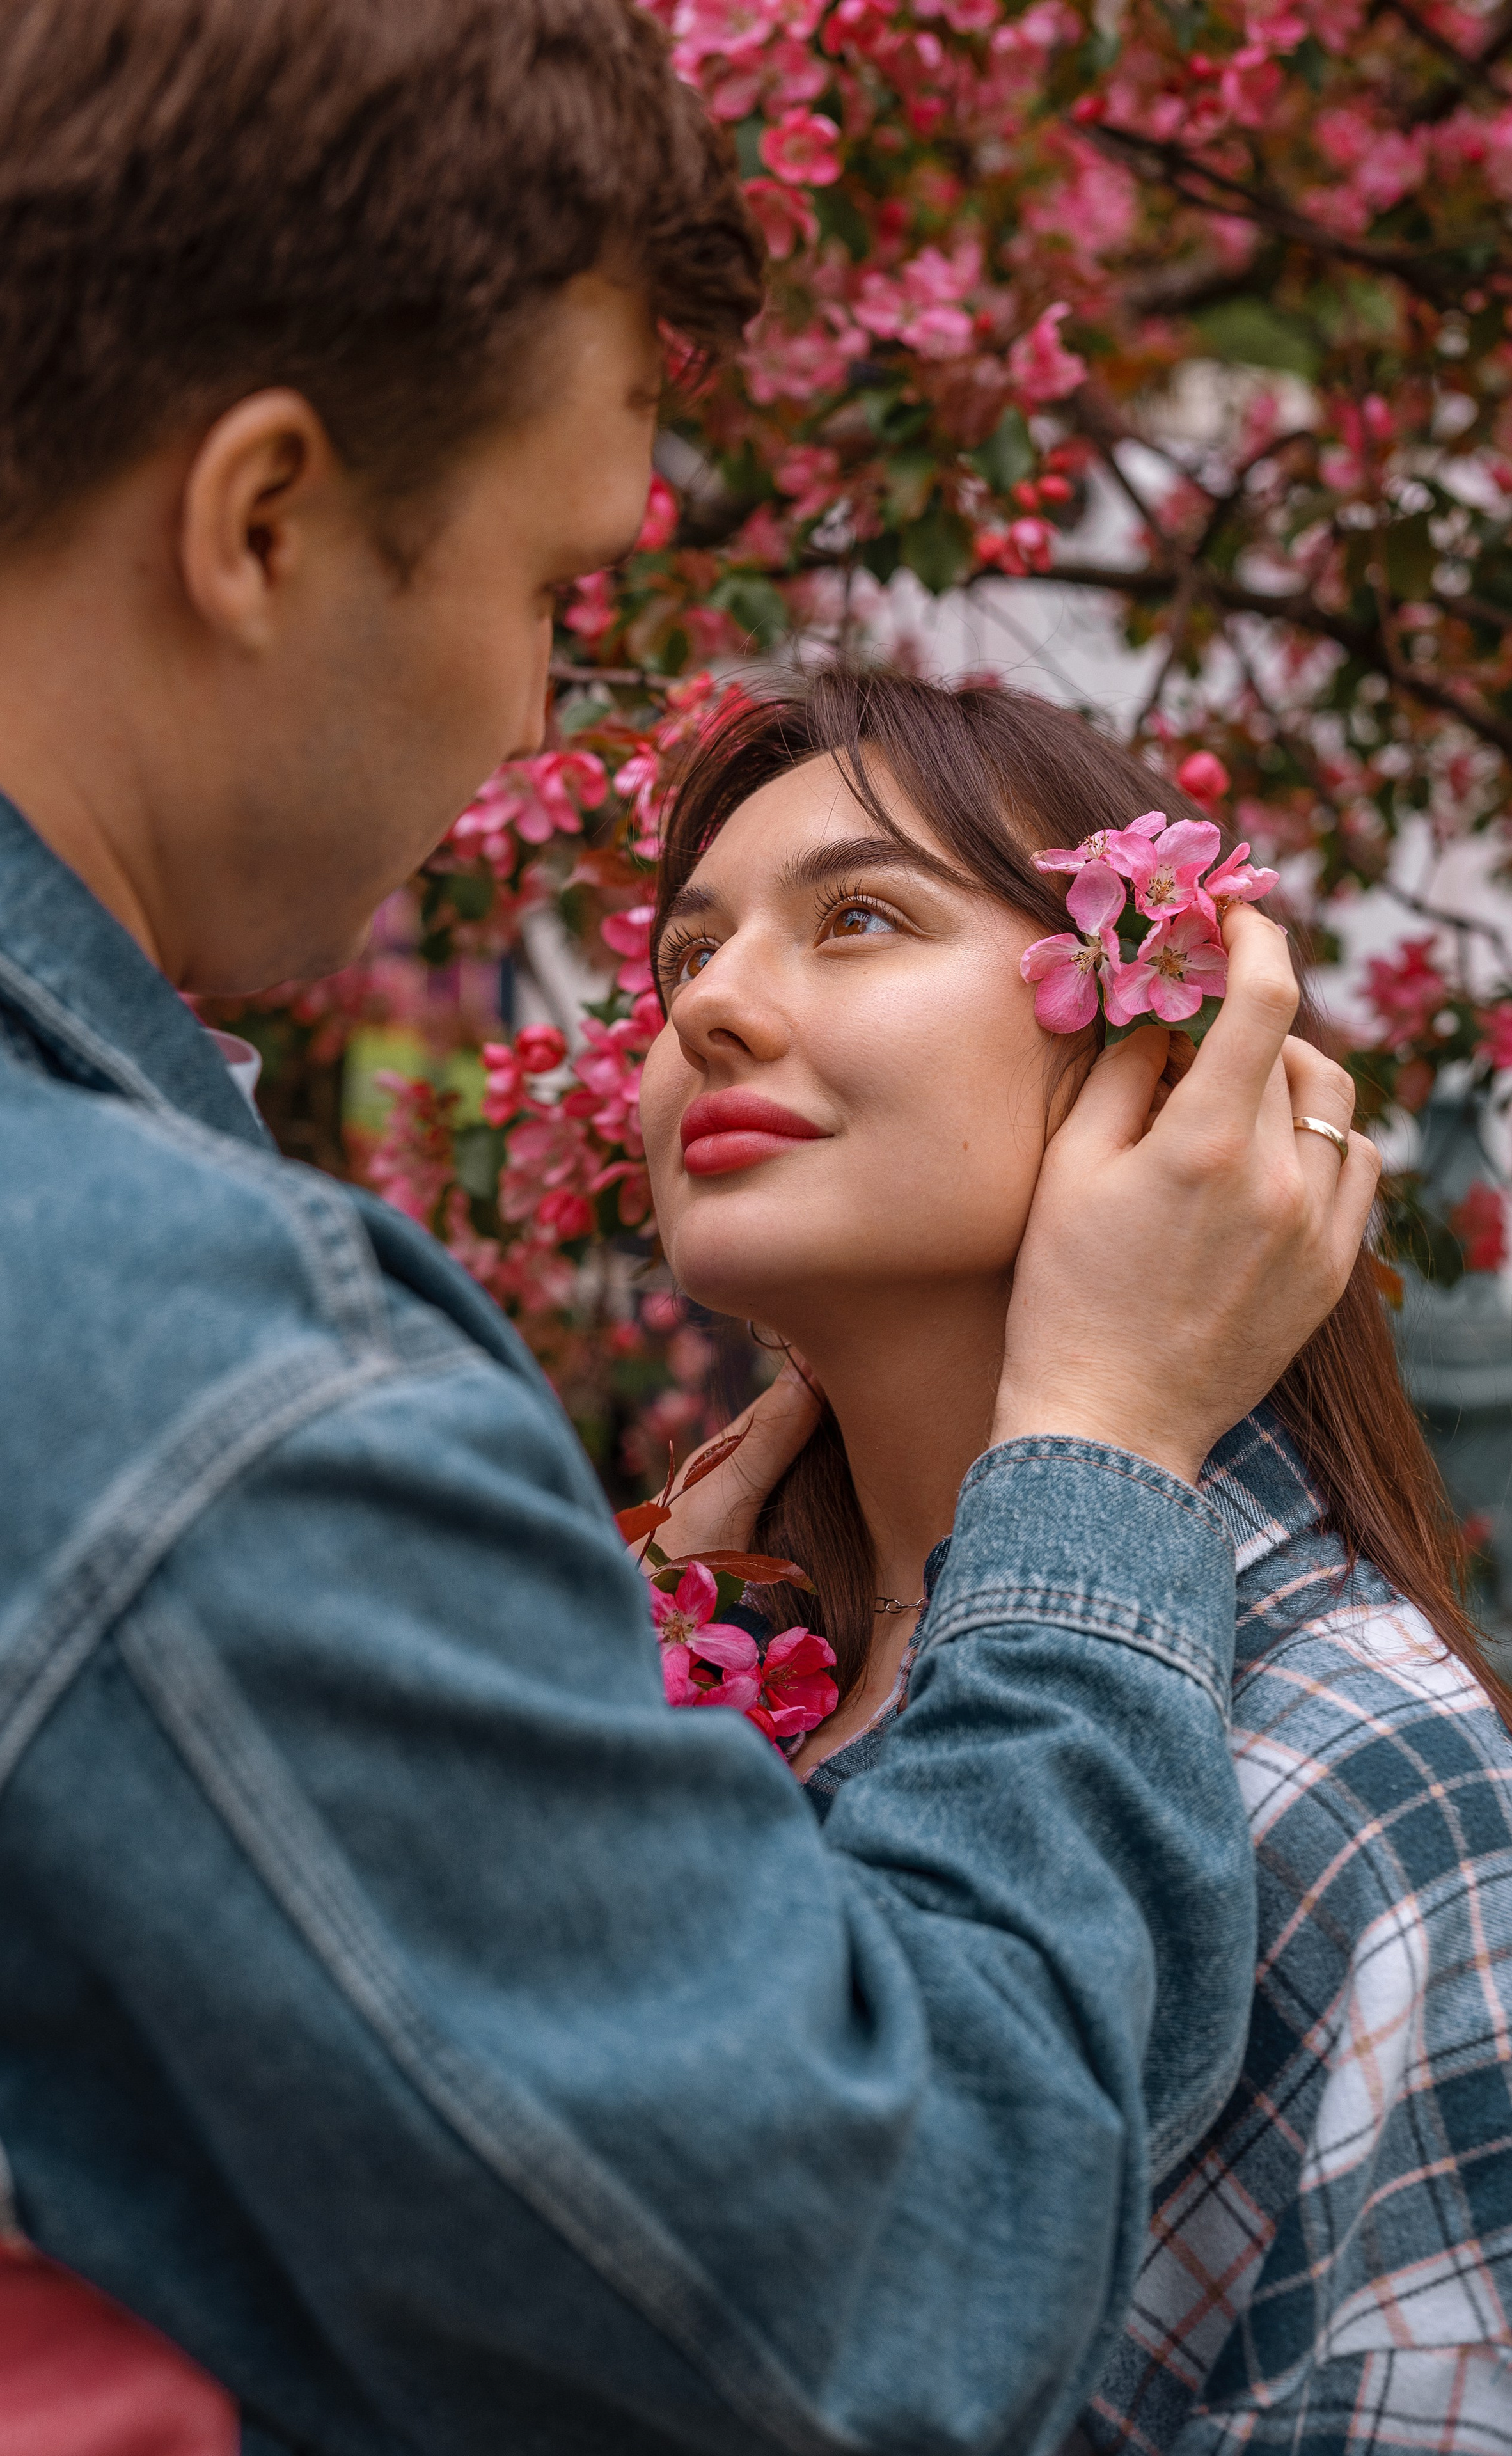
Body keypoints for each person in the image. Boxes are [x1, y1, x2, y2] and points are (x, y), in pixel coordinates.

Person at [0, 3, 1380, 2450]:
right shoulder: (198, 1391)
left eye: (866, 921)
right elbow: (890, 2285)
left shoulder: (1362, 1761)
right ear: (259, 521)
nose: (527, 717)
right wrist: (1095, 1462)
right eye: (557, 582)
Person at [638, 670, 1512, 2453]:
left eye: (861, 917)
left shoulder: (1354, 1757)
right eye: (681, 961)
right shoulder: (676, 1678)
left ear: (1152, 1048)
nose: (712, 1007)